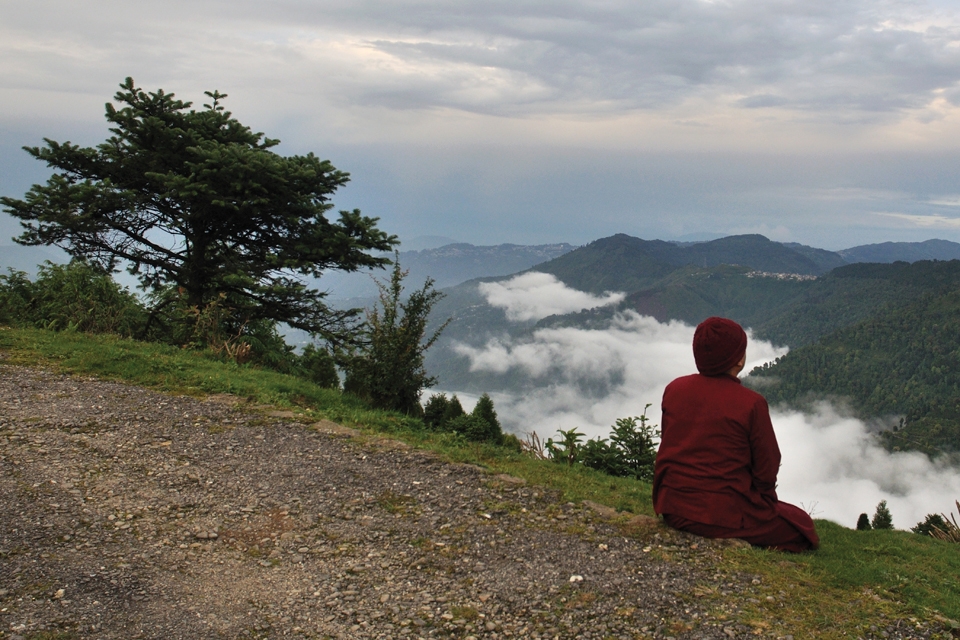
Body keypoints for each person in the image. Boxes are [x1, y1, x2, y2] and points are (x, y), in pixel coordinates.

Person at [652, 316, 819, 552]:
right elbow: (767, 466)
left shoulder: (674, 389)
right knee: (801, 526)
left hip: (672, 508)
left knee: (790, 516)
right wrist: (763, 502)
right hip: (720, 514)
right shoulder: (751, 404)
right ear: (738, 360)